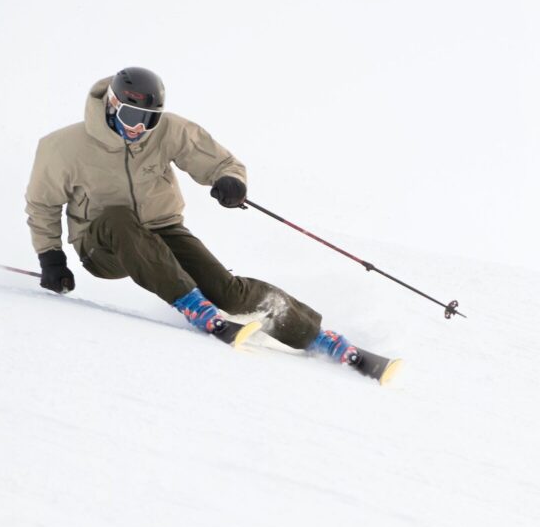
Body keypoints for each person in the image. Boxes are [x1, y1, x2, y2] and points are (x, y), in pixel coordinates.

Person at [24, 67, 358, 362]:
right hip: (103, 245)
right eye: (131, 116)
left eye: (149, 119)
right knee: (118, 218)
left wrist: (230, 181)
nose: (139, 128)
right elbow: (42, 204)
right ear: (112, 106)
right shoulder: (63, 147)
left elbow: (222, 162)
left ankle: (314, 336)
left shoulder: (168, 131)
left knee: (227, 290)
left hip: (161, 230)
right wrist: (51, 257)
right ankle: (194, 305)